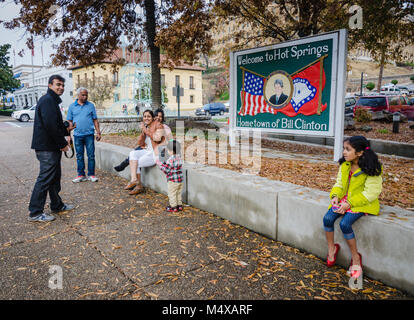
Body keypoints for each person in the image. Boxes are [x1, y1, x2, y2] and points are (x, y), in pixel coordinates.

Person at [323, 136, 382, 278]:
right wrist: (335, 196)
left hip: (362, 203)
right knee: (327, 218)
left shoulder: (371, 168)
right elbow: (339, 184)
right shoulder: (345, 165)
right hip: (345, 200)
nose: (344, 152)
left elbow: (371, 193)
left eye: (348, 149)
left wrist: (349, 204)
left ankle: (356, 258)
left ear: (360, 152)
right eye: (344, 148)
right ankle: (332, 248)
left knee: (345, 224)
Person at [28, 75, 74, 222]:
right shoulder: (47, 100)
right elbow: (50, 126)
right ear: (49, 85)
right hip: (47, 148)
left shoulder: (51, 101)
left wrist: (66, 127)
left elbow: (55, 123)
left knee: (54, 178)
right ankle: (35, 212)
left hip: (50, 147)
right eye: (58, 85)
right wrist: (63, 144)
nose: (61, 87)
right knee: (45, 179)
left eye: (62, 85)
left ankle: (57, 205)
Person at [113, 107, 172, 172]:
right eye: (156, 116)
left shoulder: (165, 127)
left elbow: (168, 139)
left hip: (157, 149)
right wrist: (144, 131)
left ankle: (125, 166)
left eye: (160, 117)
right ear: (153, 117)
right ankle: (125, 166)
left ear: (163, 118)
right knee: (134, 152)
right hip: (147, 147)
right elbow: (141, 141)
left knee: (137, 157)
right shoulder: (149, 125)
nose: (158, 118)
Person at [124, 109, 165, 195]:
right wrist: (143, 133)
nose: (146, 118)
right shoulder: (146, 126)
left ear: (153, 118)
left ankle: (138, 186)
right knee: (132, 154)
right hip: (148, 151)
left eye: (149, 116)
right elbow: (140, 143)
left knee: (137, 162)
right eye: (145, 116)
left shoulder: (158, 125)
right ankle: (134, 179)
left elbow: (157, 139)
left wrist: (145, 130)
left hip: (156, 153)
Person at [67, 87, 101, 183]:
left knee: (91, 155)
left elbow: (95, 119)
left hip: (89, 134)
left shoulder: (91, 106)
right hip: (77, 135)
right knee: (79, 156)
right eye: (83, 95)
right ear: (78, 95)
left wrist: (98, 132)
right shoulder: (72, 107)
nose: (85, 97)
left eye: (86, 95)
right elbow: (69, 122)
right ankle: (81, 175)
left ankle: (91, 175)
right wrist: (68, 136)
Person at [154, 140, 184, 212]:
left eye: (168, 150)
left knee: (172, 194)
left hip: (172, 181)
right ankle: (179, 205)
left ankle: (173, 207)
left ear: (171, 151)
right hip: (180, 180)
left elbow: (167, 170)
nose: (167, 151)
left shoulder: (170, 159)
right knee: (178, 193)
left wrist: (160, 164)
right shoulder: (179, 157)